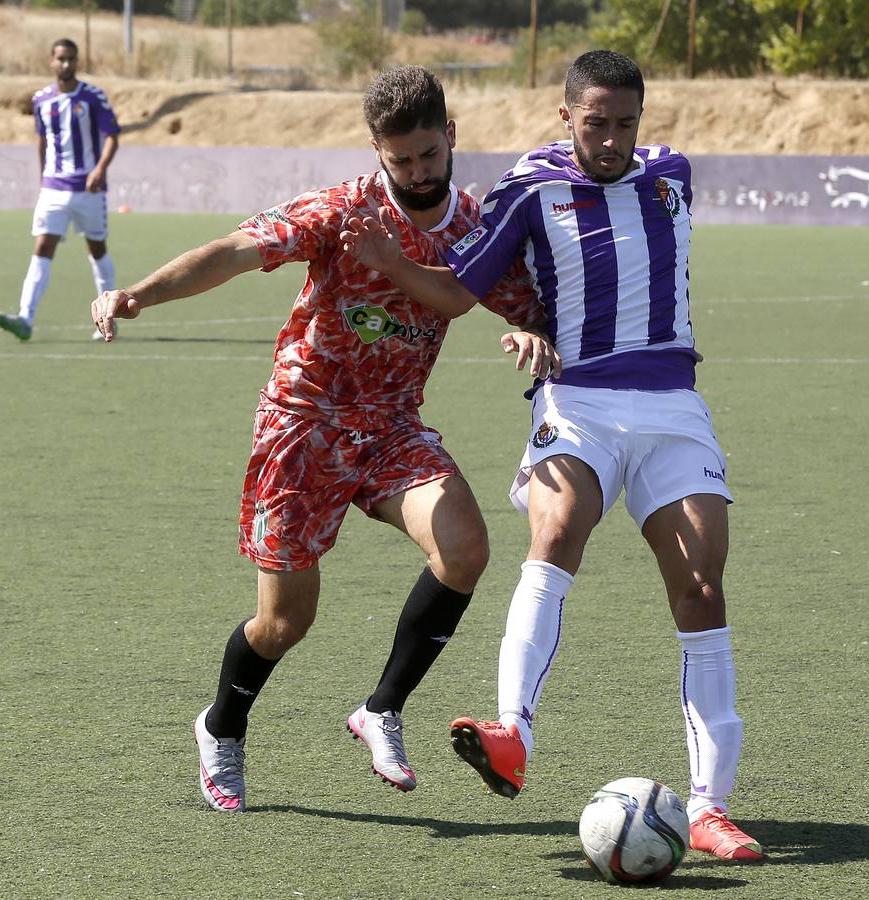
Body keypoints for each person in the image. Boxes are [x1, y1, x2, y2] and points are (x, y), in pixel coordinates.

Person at [90, 66, 553, 813]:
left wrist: (531, 329)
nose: (418, 174)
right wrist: (140, 292)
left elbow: (523, 301)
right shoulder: (342, 211)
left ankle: (382, 708)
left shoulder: (473, 226)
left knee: (466, 548)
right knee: (285, 621)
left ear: (452, 136)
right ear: (377, 152)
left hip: (392, 430)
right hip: (302, 425)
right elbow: (238, 249)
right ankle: (222, 725)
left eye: (429, 155)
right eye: (400, 161)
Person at [340, 50, 763, 862]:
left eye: (625, 123)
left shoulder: (672, 174)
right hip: (581, 402)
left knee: (703, 587)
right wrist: (395, 264)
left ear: (643, 119)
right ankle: (513, 733)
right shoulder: (529, 189)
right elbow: (462, 289)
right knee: (557, 528)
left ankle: (710, 807)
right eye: (595, 122)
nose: (611, 139)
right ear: (565, 115)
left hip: (674, 405)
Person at [0, 38, 121, 342]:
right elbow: (42, 139)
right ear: (51, 61)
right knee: (42, 248)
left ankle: (110, 318)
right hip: (53, 188)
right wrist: (42, 178)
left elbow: (112, 135)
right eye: (61, 59)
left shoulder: (92, 96)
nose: (66, 64)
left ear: (77, 61)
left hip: (87, 188)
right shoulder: (41, 99)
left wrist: (100, 168)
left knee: (97, 249)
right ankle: (25, 318)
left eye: (71, 59)